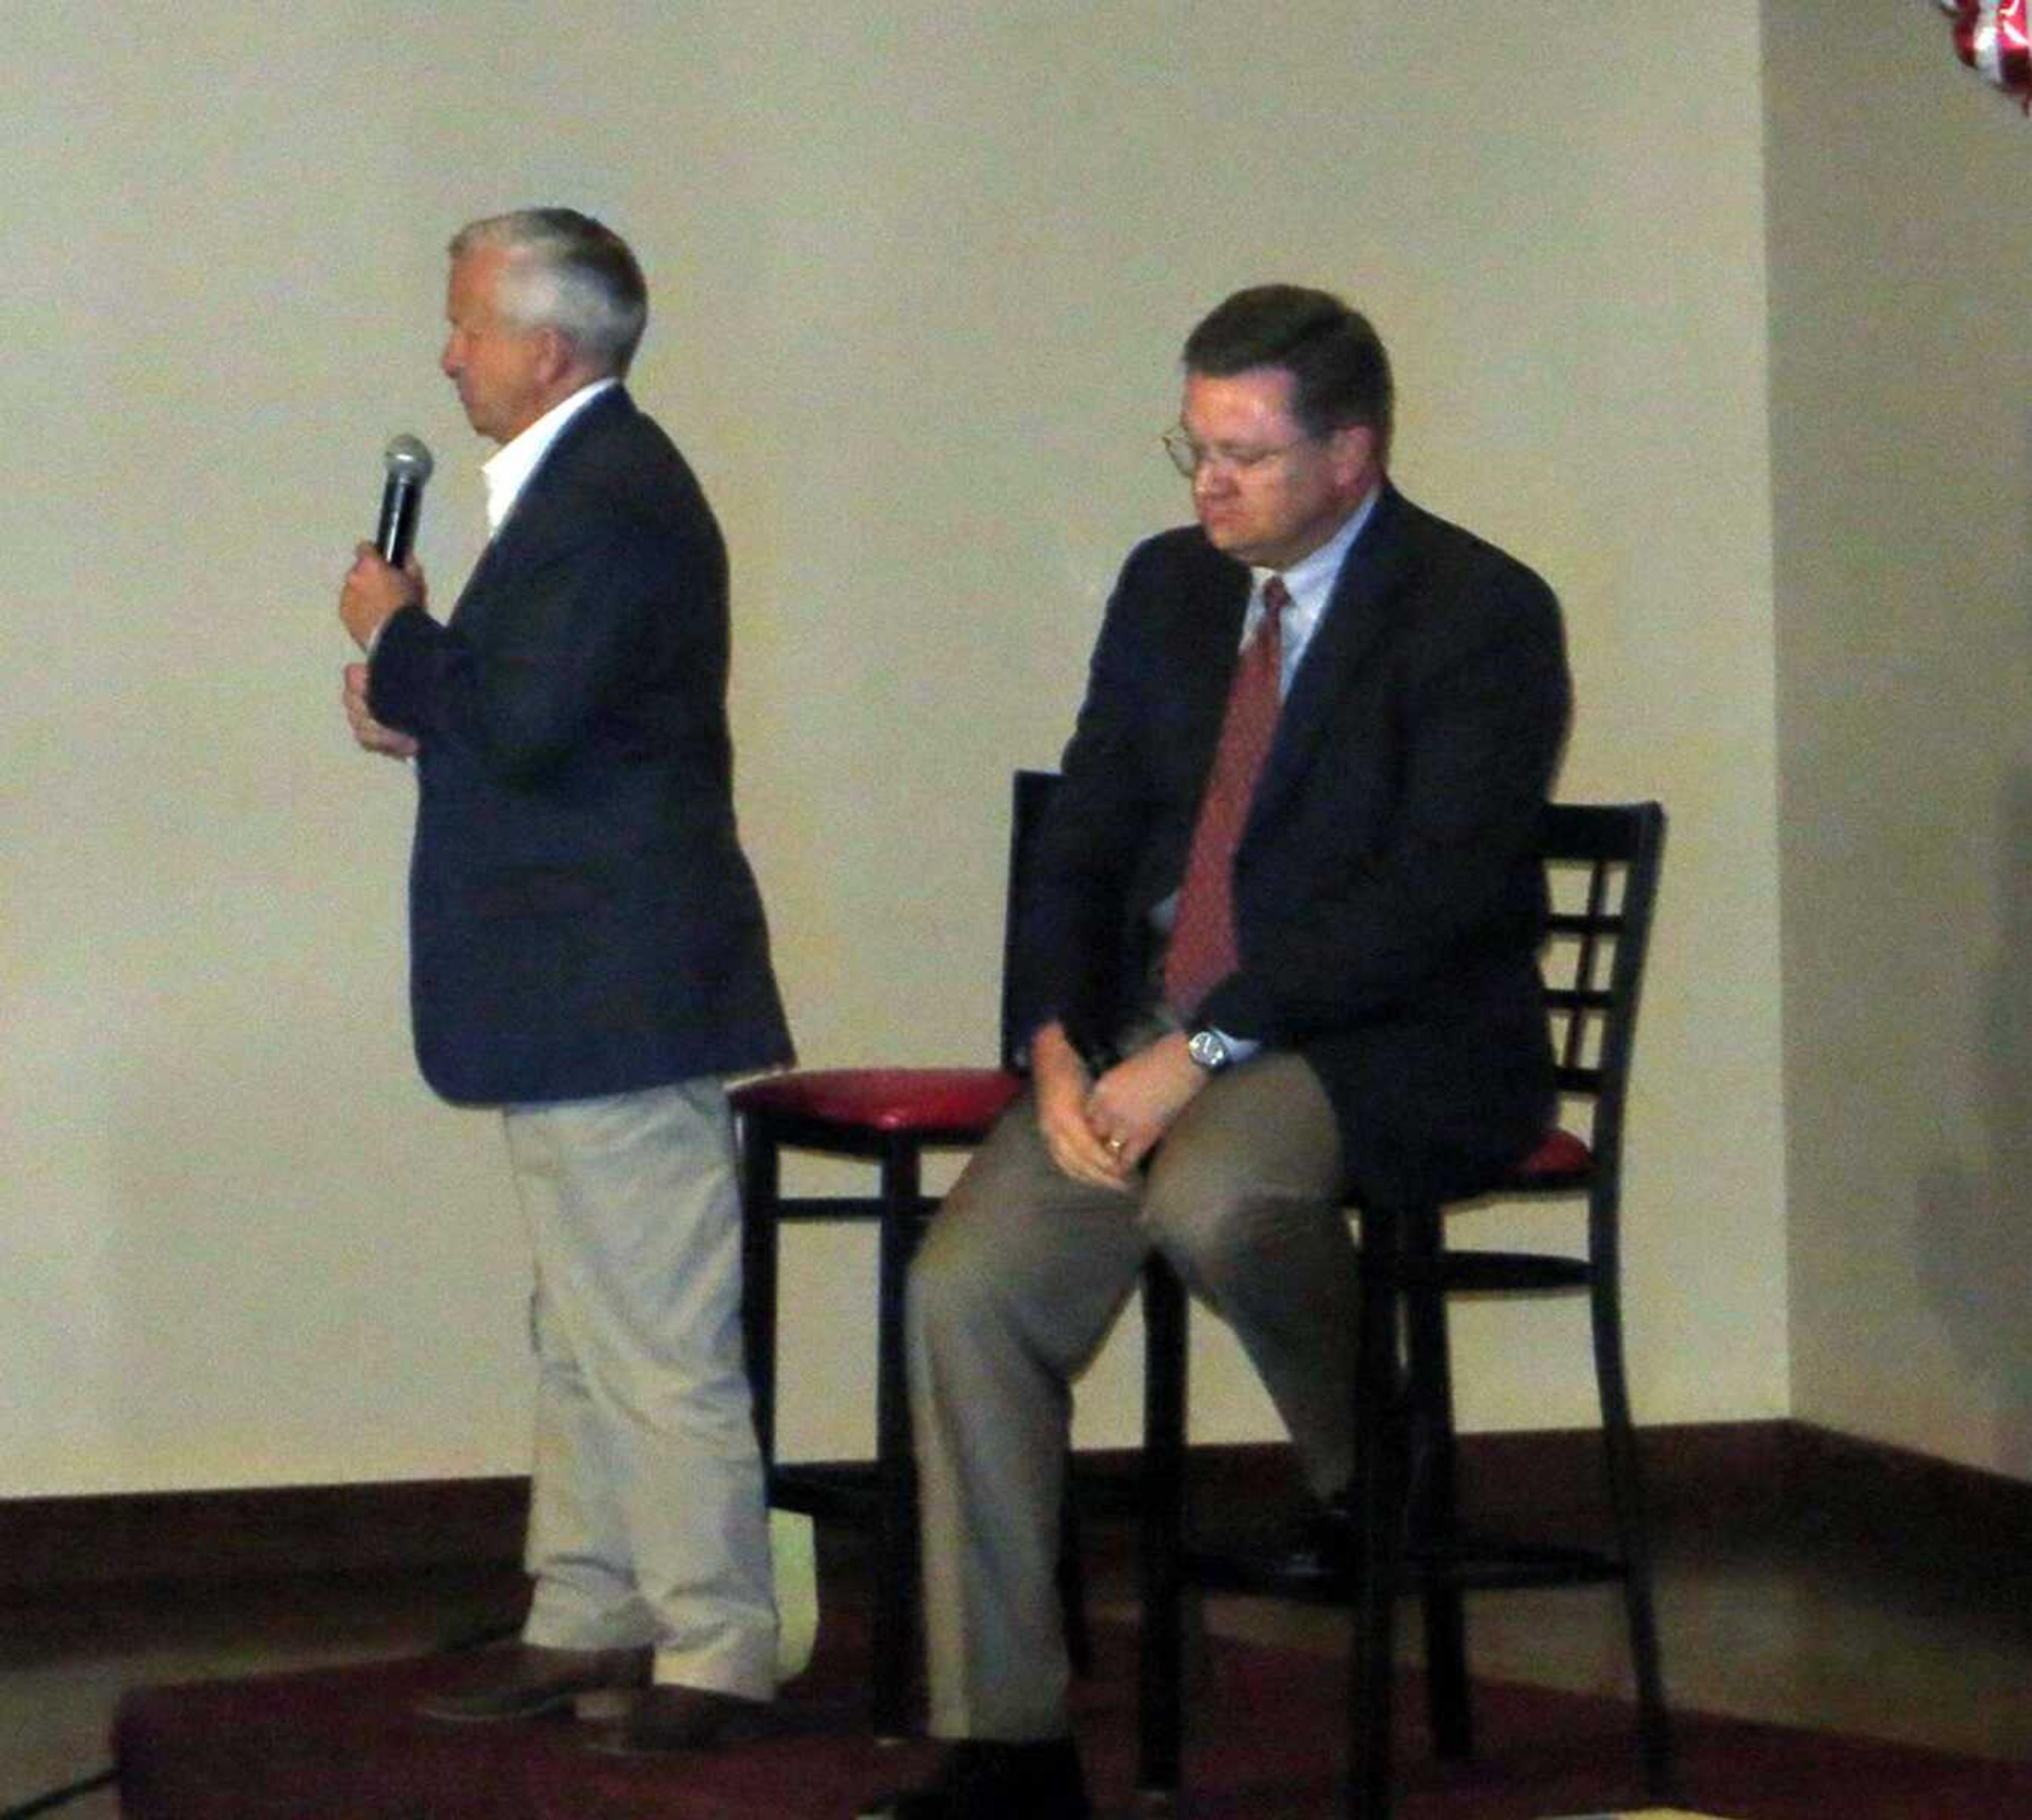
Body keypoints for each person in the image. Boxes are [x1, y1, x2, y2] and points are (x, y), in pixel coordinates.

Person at [861, 286, 1572, 1819]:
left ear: (1354, 455)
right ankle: (1008, 1738)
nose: (1207, 482)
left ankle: (1365, 1472)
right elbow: (1090, 827)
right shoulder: (1168, 591)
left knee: (1216, 1202)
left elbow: (1432, 896)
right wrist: (1054, 1041)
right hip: (1157, 1039)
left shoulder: (1479, 611)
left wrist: (1205, 1043)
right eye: (1191, 446)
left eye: (1243, 452)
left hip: (1390, 1040)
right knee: (967, 1289)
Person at [338, 208, 793, 1756]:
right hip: (577, 981)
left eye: (467, 322)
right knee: (587, 1324)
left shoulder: (610, 496)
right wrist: (428, 698)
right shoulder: (583, 490)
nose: (449, 350)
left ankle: (718, 1645)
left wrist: (400, 645)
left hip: (616, 982)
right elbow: (547, 721)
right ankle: (589, 1607)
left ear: (547, 347)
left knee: (651, 1332)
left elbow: (522, 723)